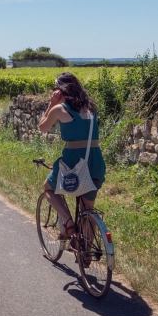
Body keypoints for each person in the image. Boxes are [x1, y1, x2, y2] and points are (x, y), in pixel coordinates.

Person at [38, 72, 106, 245]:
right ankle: (87, 252)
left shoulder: (59, 109)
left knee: (48, 188)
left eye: (55, 89)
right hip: (95, 162)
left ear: (60, 90)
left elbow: (42, 127)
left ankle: (68, 222)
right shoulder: (91, 108)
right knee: (88, 209)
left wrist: (52, 103)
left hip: (73, 162)